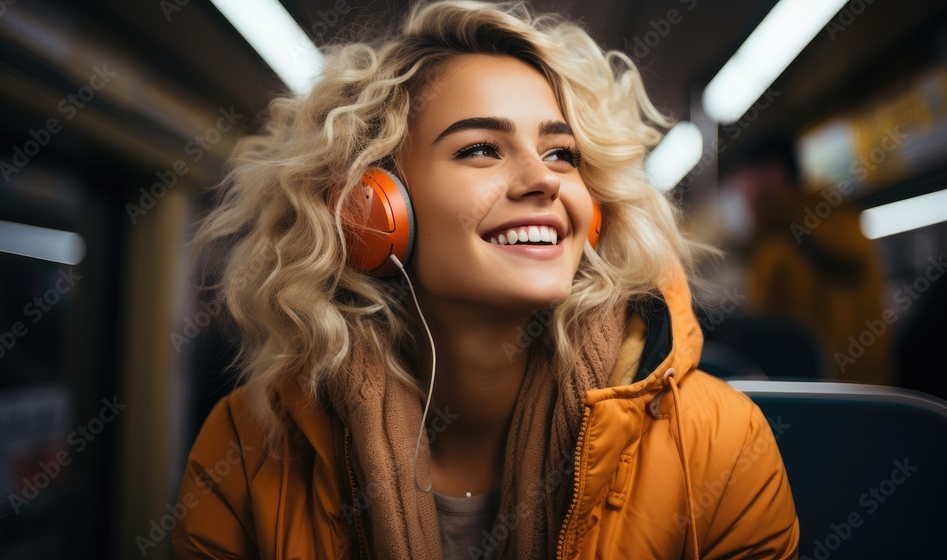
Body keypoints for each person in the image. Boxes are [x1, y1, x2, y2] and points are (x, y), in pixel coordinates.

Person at [172, 1, 799, 558]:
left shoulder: (720, 445)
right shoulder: (249, 451)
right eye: (481, 149)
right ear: (372, 208)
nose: (544, 180)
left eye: (562, 154)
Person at [726, 134, 892, 384]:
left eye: (744, 178)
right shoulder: (850, 227)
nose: (742, 192)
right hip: (877, 398)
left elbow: (770, 354)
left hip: (812, 406)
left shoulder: (777, 250)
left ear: (773, 174)